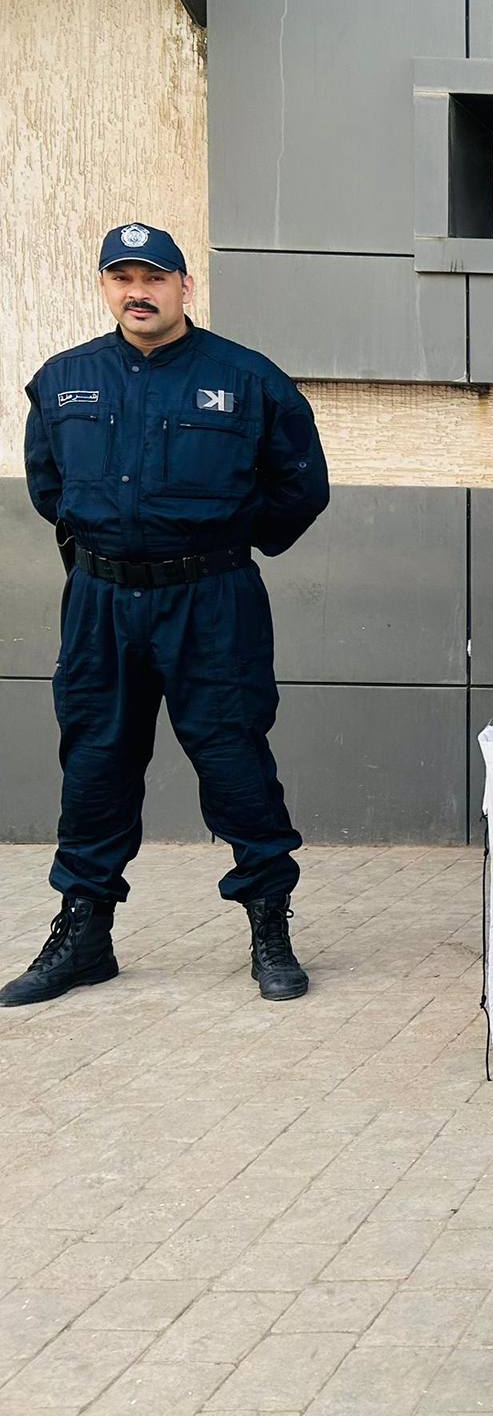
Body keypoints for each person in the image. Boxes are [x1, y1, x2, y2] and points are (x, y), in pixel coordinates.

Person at [10, 223, 329, 1007]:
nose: (137, 292)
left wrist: (218, 545)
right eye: (121, 277)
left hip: (211, 603)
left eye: (153, 277)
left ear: (185, 286)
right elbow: (50, 489)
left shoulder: (247, 379)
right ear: (104, 287)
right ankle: (84, 937)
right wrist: (114, 552)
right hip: (101, 604)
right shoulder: (63, 380)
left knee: (234, 761)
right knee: (94, 764)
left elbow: (301, 486)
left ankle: (270, 928)